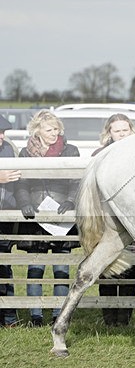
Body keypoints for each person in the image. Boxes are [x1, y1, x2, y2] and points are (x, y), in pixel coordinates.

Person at [15, 110, 80, 327]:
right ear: (37, 131)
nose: (54, 133)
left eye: (56, 129)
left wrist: (71, 201)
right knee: (36, 267)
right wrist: (25, 202)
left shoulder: (70, 150)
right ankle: (36, 315)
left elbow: (76, 180)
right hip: (36, 216)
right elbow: (21, 182)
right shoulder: (25, 153)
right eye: (49, 129)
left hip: (61, 215)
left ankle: (58, 314)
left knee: (61, 268)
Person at [93, 114, 135, 326]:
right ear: (109, 133)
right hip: (107, 218)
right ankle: (109, 318)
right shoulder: (99, 155)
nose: (121, 134)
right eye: (117, 130)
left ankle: (125, 318)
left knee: (130, 268)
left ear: (131, 130)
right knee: (108, 265)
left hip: (132, 216)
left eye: (125, 130)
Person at [0, 114, 21, 327]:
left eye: (3, 132)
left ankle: (8, 316)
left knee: (4, 265)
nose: (2, 136)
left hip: (5, 216)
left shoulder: (9, 148)